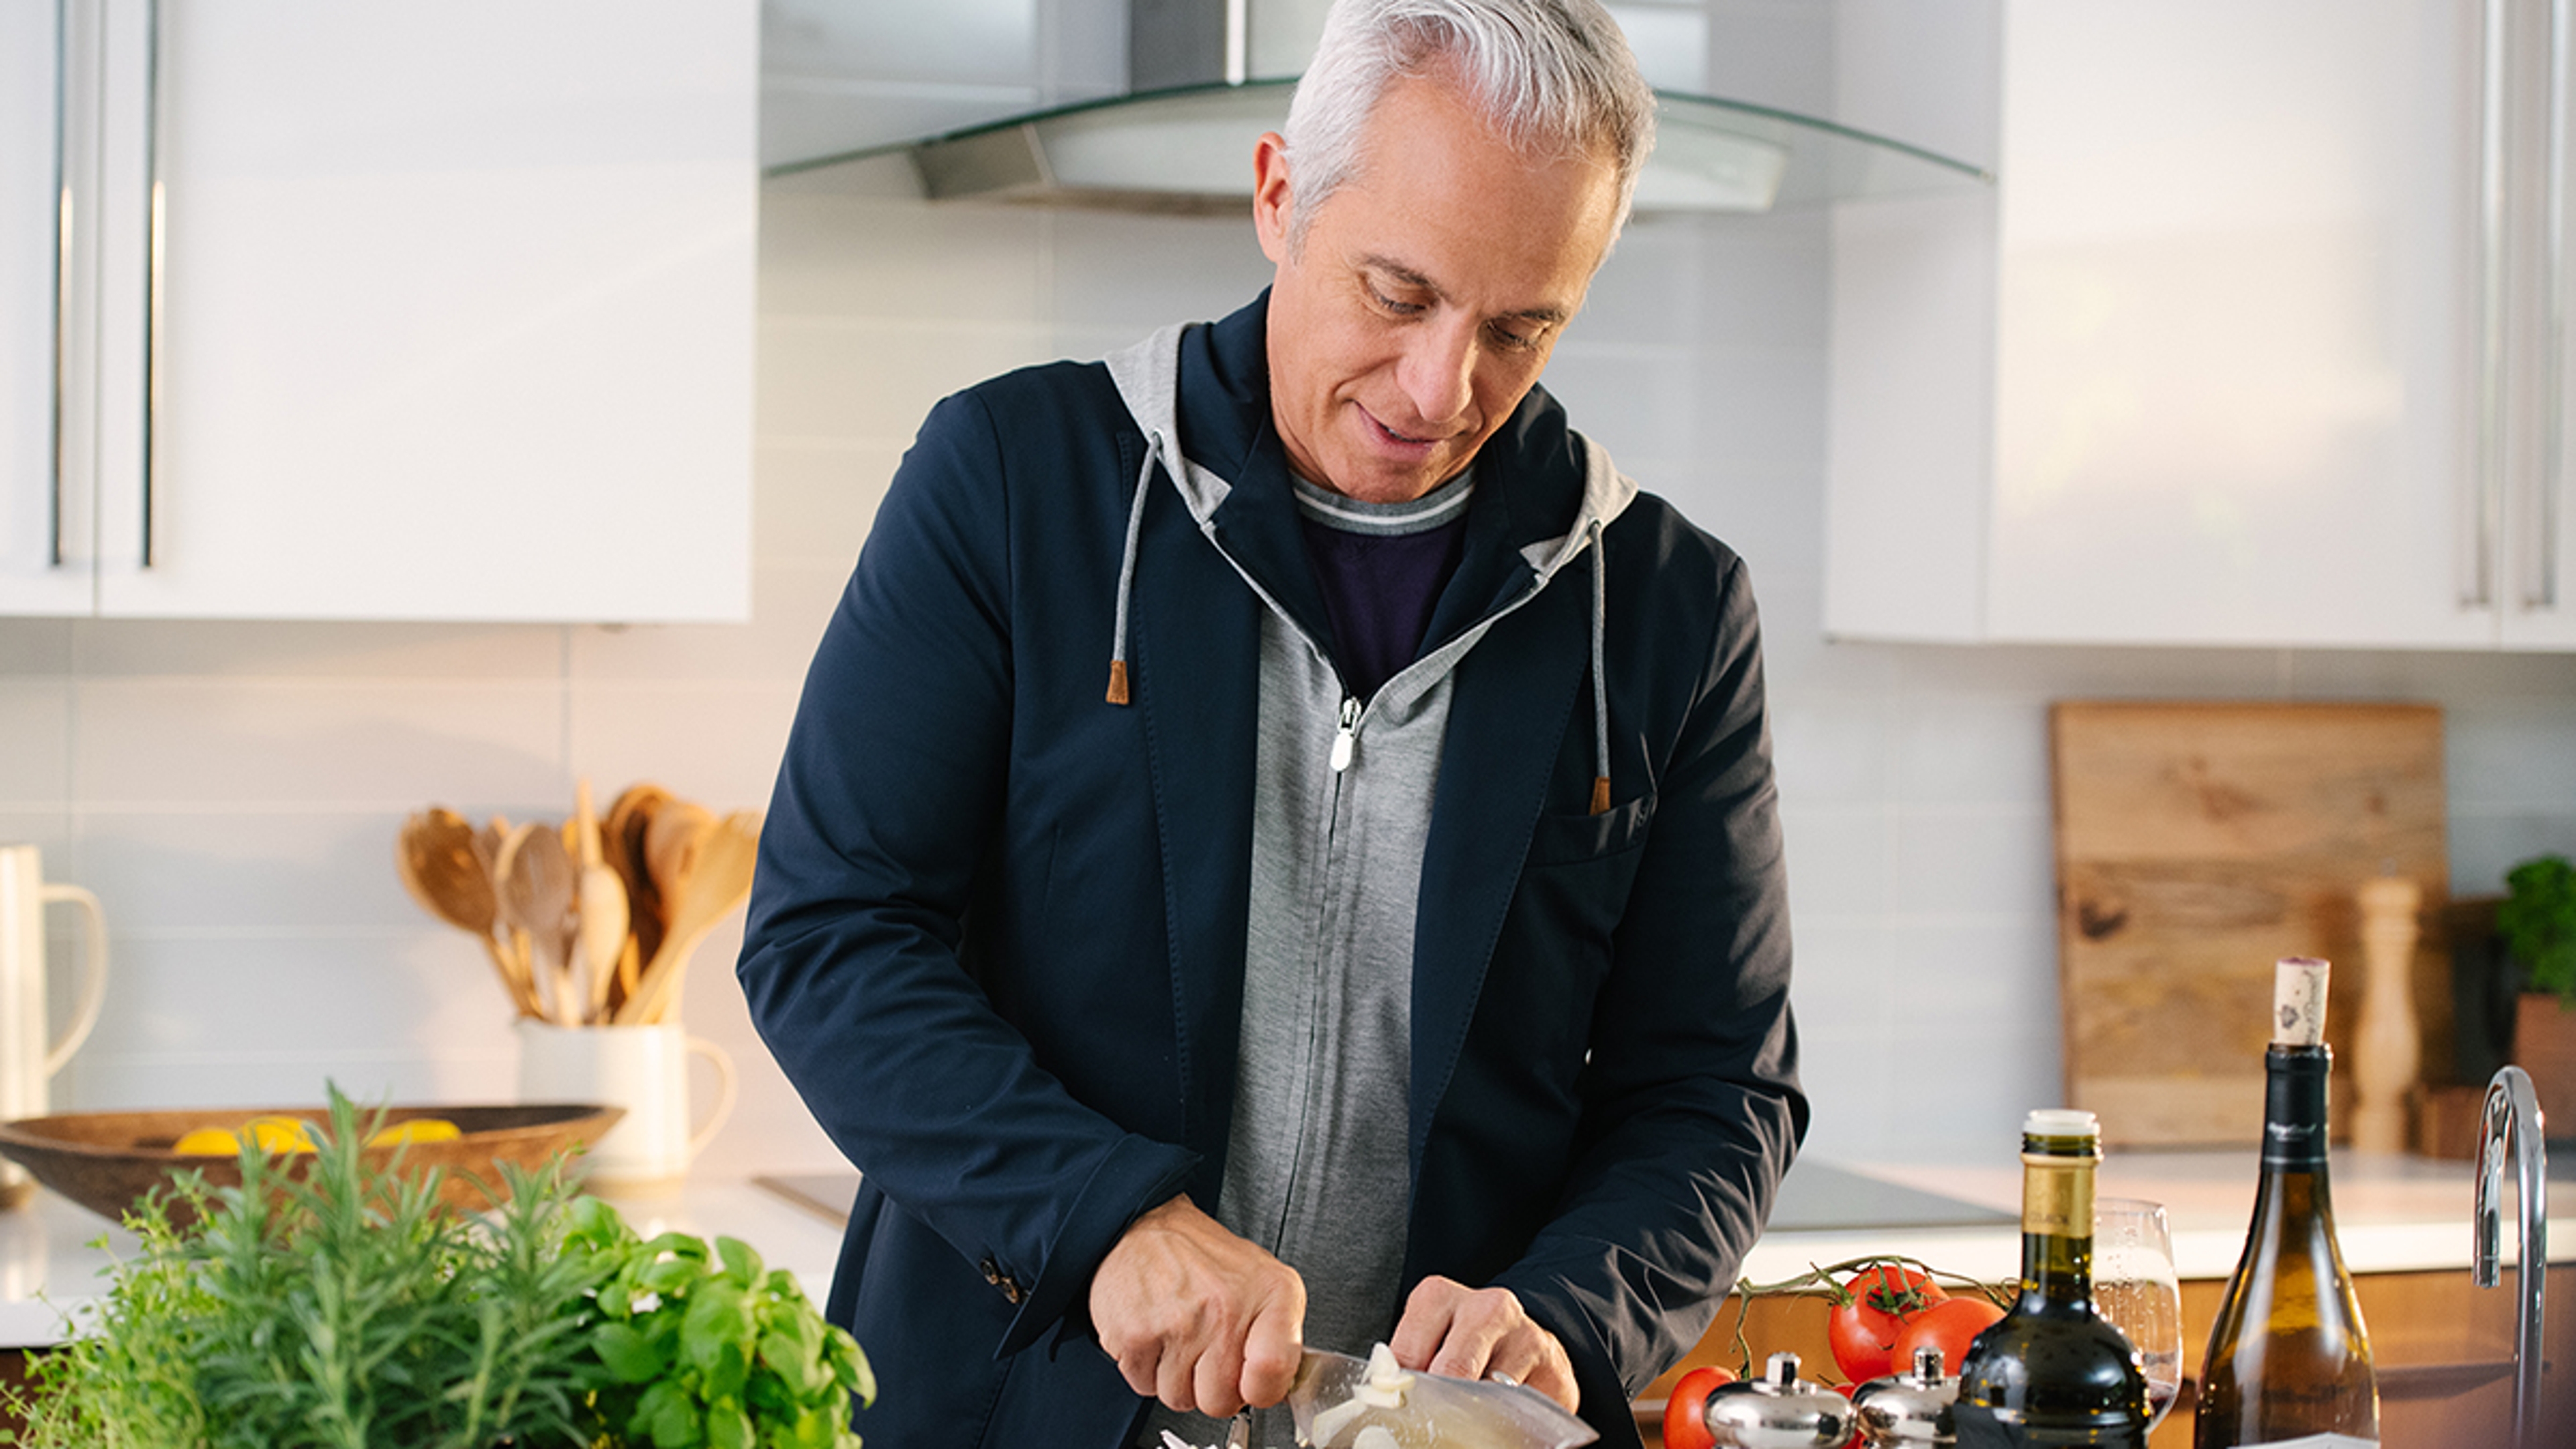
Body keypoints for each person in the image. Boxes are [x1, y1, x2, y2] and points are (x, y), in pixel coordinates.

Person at [735, 1, 1805, 1444]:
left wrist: (1570, 1309)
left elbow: (1715, 1089)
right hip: (1005, 1413)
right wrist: (1103, 1218)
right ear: (1279, 196)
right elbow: (833, 932)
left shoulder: (1668, 605)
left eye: (1519, 328)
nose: (1444, 390)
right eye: (1398, 293)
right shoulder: (1014, 482)